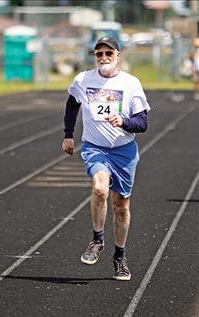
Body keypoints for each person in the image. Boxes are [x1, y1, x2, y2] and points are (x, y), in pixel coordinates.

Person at [61, 37, 151, 281]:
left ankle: (120, 257)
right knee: (100, 188)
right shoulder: (83, 80)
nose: (103, 57)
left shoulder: (131, 83)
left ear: (118, 56)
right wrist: (68, 135)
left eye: (108, 53)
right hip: (95, 148)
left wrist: (124, 121)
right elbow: (72, 104)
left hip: (124, 151)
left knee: (121, 206)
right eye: (98, 53)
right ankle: (97, 240)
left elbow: (142, 123)